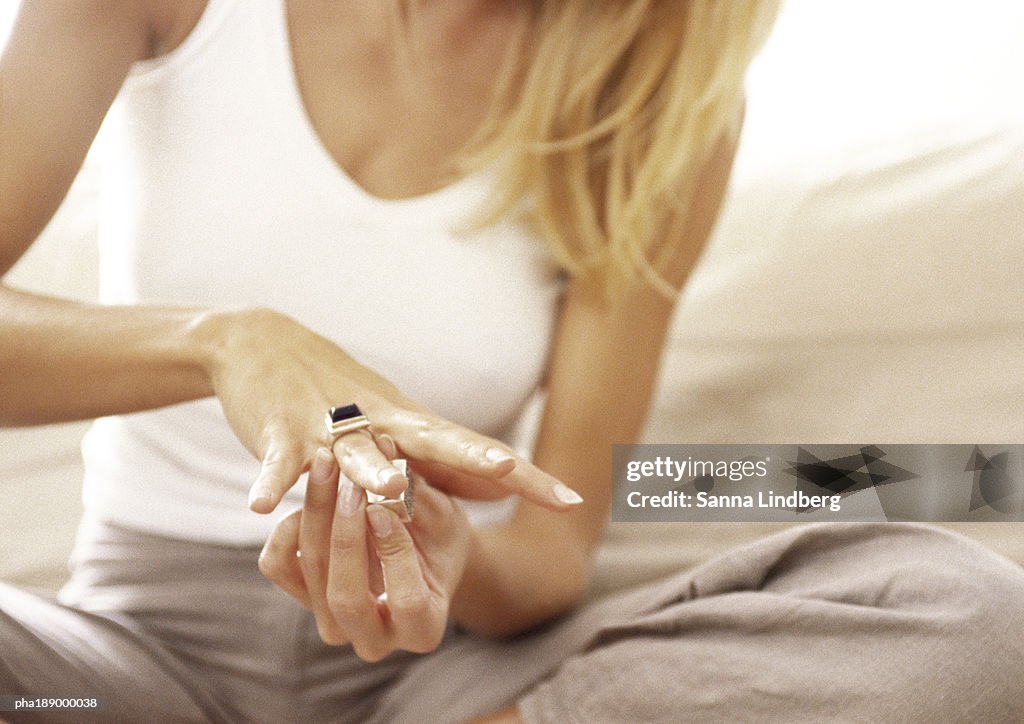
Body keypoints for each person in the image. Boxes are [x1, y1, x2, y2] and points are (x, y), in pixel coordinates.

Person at [2, 1, 1023, 723]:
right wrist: (225, 342)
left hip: (451, 682)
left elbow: (550, 556)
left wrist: (450, 552)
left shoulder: (659, 99)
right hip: (131, 665)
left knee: (972, 619)